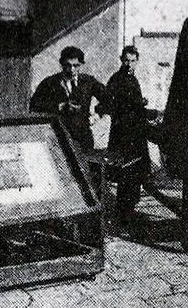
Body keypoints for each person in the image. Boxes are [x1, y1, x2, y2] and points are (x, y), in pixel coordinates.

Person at [103, 45, 156, 225]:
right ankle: (123, 214)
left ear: (137, 61)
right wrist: (136, 104)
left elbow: (135, 104)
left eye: (133, 61)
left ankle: (129, 210)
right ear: (121, 60)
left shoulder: (134, 79)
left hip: (136, 133)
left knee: (136, 172)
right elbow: (111, 103)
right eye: (126, 60)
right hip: (123, 134)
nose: (129, 64)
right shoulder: (116, 79)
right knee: (125, 173)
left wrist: (141, 106)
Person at [29, 46, 107, 154]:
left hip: (83, 138)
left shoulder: (88, 82)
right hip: (58, 138)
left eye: (76, 66)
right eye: (68, 66)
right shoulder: (50, 83)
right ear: (61, 64)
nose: (71, 70)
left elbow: (109, 99)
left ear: (81, 65)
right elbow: (34, 105)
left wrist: (96, 116)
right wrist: (59, 107)